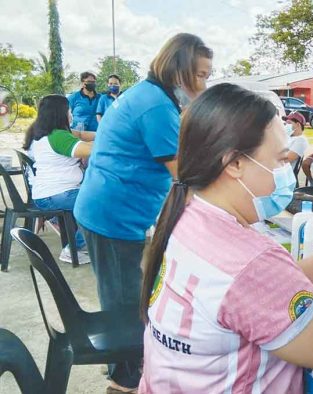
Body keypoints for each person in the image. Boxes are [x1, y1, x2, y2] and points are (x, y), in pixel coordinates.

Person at [137, 83, 313, 393]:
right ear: (234, 163)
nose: (286, 172)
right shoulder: (244, 259)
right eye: (280, 160)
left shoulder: (190, 215)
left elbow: (279, 287)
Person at [74, 33, 212, 393]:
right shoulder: (155, 106)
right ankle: (125, 381)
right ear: (179, 72)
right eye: (200, 75)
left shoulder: (148, 96)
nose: (204, 84)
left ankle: (125, 368)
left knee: (124, 292)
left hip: (108, 207)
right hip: (113, 215)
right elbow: (184, 175)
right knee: (124, 301)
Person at [22, 95, 93, 264]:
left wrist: (106, 132)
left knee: (94, 198)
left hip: (47, 194)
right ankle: (73, 248)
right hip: (57, 195)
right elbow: (90, 149)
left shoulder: (42, 132)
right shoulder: (58, 136)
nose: (71, 113)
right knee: (99, 204)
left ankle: (80, 241)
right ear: (60, 112)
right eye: (69, 110)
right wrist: (117, 140)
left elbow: (82, 134)